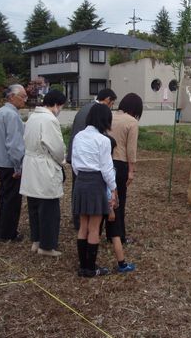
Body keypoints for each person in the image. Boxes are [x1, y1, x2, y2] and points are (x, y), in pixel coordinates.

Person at [72, 104, 118, 277]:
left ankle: (83, 266)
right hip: (96, 182)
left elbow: (75, 164)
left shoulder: (78, 136)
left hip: (80, 181)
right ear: (105, 120)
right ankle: (91, 268)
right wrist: (113, 189)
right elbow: (107, 169)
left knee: (83, 226)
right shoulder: (103, 140)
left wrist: (82, 177)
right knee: (94, 227)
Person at [20, 90, 67, 257]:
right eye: (61, 106)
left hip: (31, 164)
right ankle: (46, 246)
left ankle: (37, 241)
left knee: (34, 205)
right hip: (44, 166)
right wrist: (62, 160)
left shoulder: (33, 117)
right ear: (55, 104)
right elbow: (57, 147)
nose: (60, 109)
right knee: (49, 209)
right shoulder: (49, 119)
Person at [67, 88, 117, 230]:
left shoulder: (83, 109)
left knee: (78, 190)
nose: (111, 108)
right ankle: (89, 221)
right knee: (94, 195)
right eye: (112, 104)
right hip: (91, 161)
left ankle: (79, 220)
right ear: (107, 100)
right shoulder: (96, 111)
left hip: (77, 157)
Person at [0, 84, 27, 242]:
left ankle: (1, 230)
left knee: (4, 197)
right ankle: (8, 233)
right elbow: (14, 144)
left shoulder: (0, 112)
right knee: (12, 200)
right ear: (12, 97)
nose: (25, 100)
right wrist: (18, 166)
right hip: (10, 163)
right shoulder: (11, 115)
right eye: (22, 96)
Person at [107, 92, 143, 245]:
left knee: (107, 199)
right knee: (119, 200)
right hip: (120, 164)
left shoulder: (109, 116)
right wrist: (131, 170)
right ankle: (118, 235)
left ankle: (107, 233)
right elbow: (131, 149)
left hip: (105, 162)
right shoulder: (132, 122)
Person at [104, 134, 135, 273]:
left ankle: (87, 261)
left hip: (96, 203)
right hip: (109, 205)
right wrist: (111, 209)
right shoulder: (110, 168)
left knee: (92, 230)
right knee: (115, 234)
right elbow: (111, 189)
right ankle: (122, 264)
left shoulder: (96, 165)